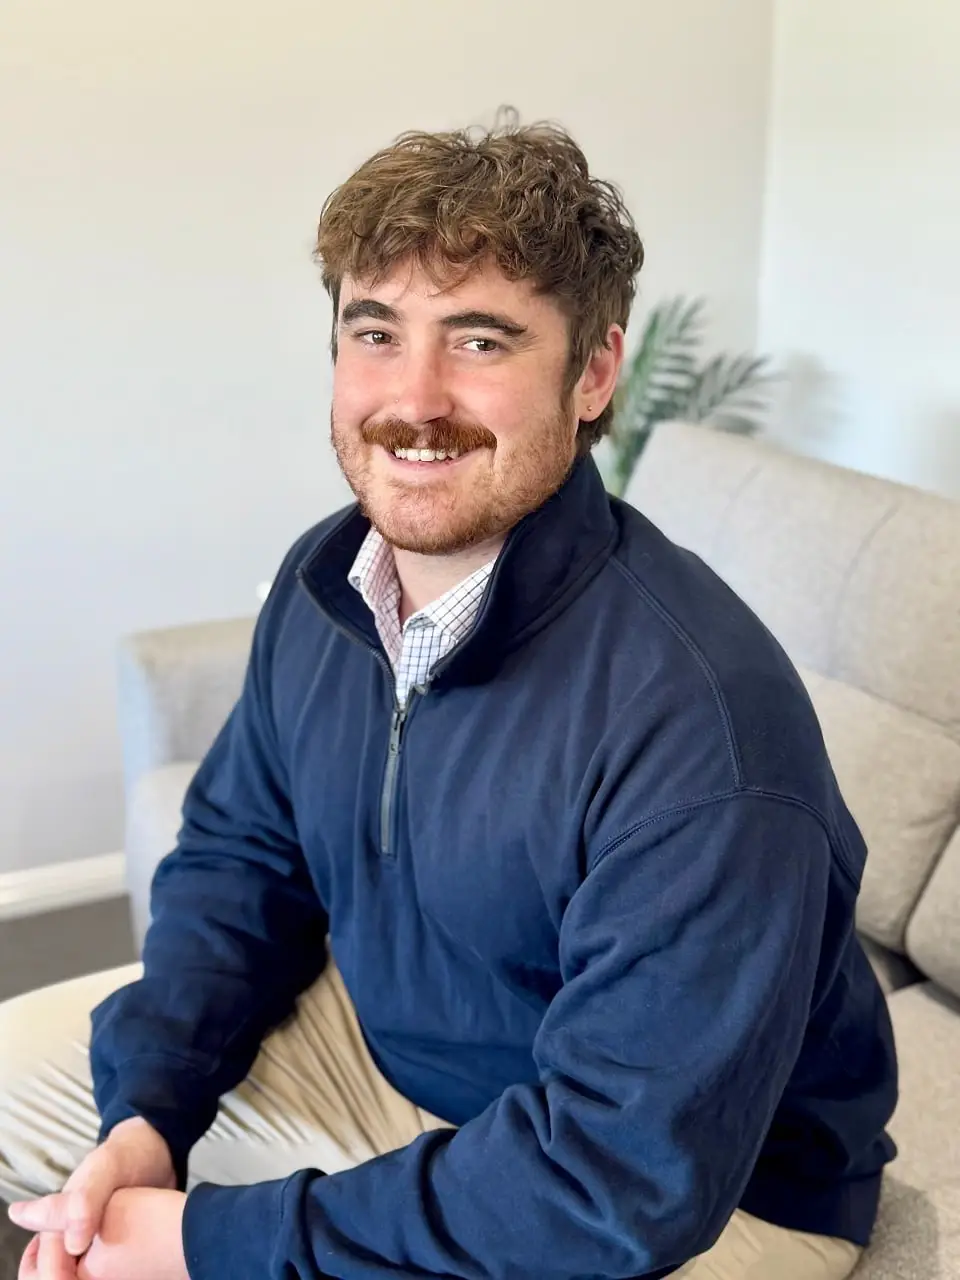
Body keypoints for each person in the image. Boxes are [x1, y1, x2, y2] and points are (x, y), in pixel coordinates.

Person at [1, 112, 897, 1280]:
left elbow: (616, 1178)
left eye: (479, 339)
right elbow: (240, 860)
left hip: (700, 1192)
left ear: (593, 373)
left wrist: (206, 1239)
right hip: (386, 1060)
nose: (414, 398)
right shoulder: (327, 582)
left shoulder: (704, 726)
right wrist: (149, 1113)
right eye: (376, 331)